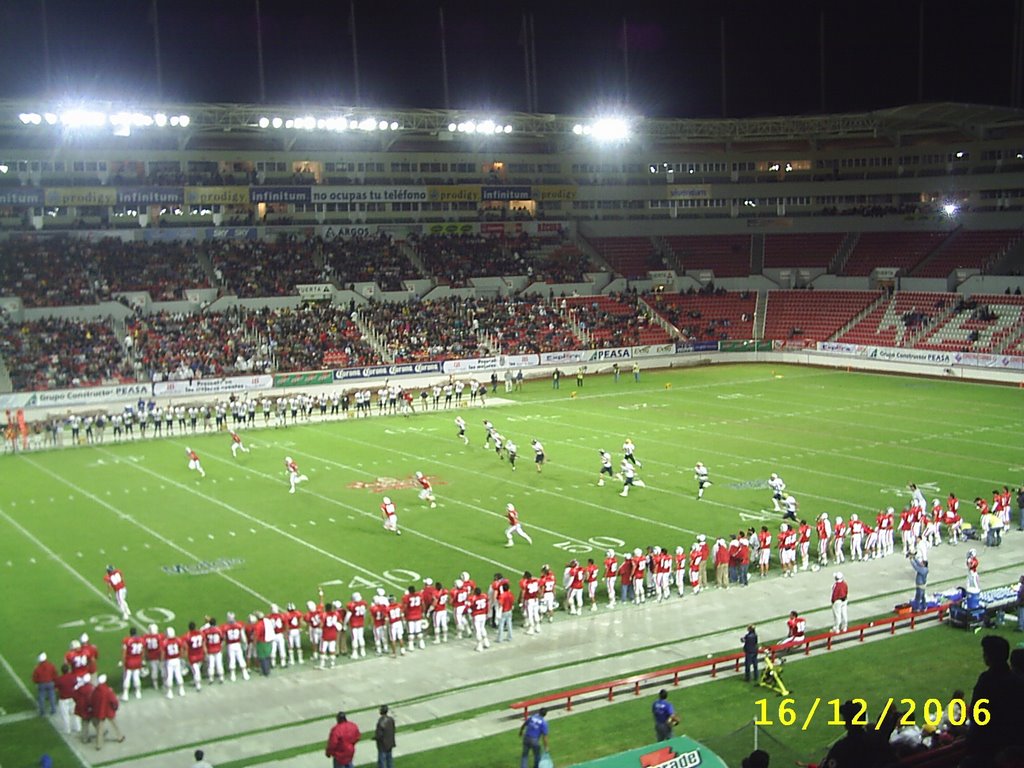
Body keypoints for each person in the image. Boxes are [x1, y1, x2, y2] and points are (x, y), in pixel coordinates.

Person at [966, 635, 1023, 764]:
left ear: (989, 656)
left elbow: (976, 714)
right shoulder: (1017, 680)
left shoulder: (987, 680)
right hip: (1011, 741)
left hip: (990, 746)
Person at [90, 673, 125, 750]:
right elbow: (113, 700)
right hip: (108, 710)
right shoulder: (108, 690)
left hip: (100, 711)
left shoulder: (96, 690)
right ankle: (120, 737)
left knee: (100, 728)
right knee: (115, 725)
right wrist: (115, 707)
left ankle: (99, 745)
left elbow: (92, 700)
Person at [32, 652, 57, 717]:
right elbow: (55, 674)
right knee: (52, 696)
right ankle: (53, 710)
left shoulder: (37, 668)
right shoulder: (51, 665)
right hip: (50, 683)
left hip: (41, 684)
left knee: (41, 698)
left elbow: (34, 678)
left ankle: (42, 712)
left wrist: (37, 682)